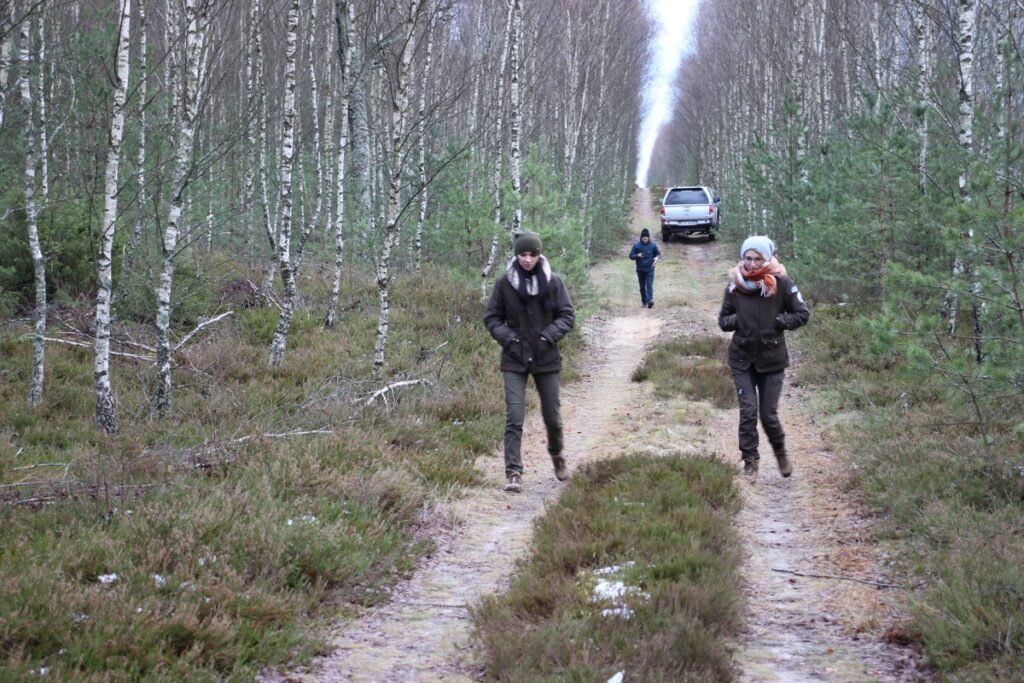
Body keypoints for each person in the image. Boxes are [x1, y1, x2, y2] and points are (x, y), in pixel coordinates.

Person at [484, 230, 575, 493]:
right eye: (522, 254)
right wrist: (510, 340)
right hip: (514, 358)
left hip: (546, 358)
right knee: (514, 418)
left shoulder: (553, 282)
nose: (527, 259)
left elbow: (567, 316)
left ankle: (557, 456)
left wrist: (548, 337)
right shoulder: (504, 284)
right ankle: (513, 472)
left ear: (539, 255)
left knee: (553, 417)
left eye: (532, 254)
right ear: (516, 255)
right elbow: (491, 318)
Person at [718, 236, 809, 478]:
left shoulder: (782, 283)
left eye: (758, 259)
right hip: (742, 358)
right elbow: (723, 321)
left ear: (767, 259)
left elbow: (802, 314)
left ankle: (780, 454)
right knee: (748, 410)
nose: (752, 264)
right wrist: (739, 321)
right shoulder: (734, 286)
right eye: (748, 258)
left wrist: (780, 321)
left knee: (768, 414)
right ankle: (750, 461)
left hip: (772, 359)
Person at [629, 228, 661, 308]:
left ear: (649, 238)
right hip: (640, 269)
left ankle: (650, 301)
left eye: (646, 238)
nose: (645, 240)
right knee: (642, 287)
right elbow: (631, 256)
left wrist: (657, 258)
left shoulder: (653, 245)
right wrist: (637, 255)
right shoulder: (636, 245)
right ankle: (644, 302)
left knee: (649, 285)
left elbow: (658, 254)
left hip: (650, 268)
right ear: (641, 238)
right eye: (643, 239)